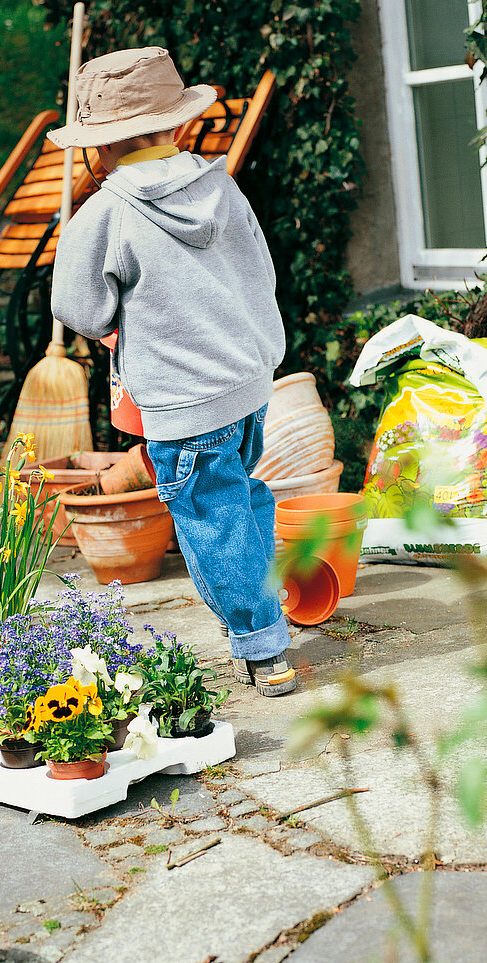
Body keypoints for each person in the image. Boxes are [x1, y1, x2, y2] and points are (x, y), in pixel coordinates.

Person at [49, 46, 295, 696]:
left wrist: (116, 324)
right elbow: (259, 277)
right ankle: (263, 603)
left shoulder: (106, 212)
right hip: (247, 383)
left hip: (184, 404)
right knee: (237, 496)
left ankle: (262, 641)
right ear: (178, 127)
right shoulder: (222, 187)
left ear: (98, 148)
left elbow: (76, 305)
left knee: (209, 515)